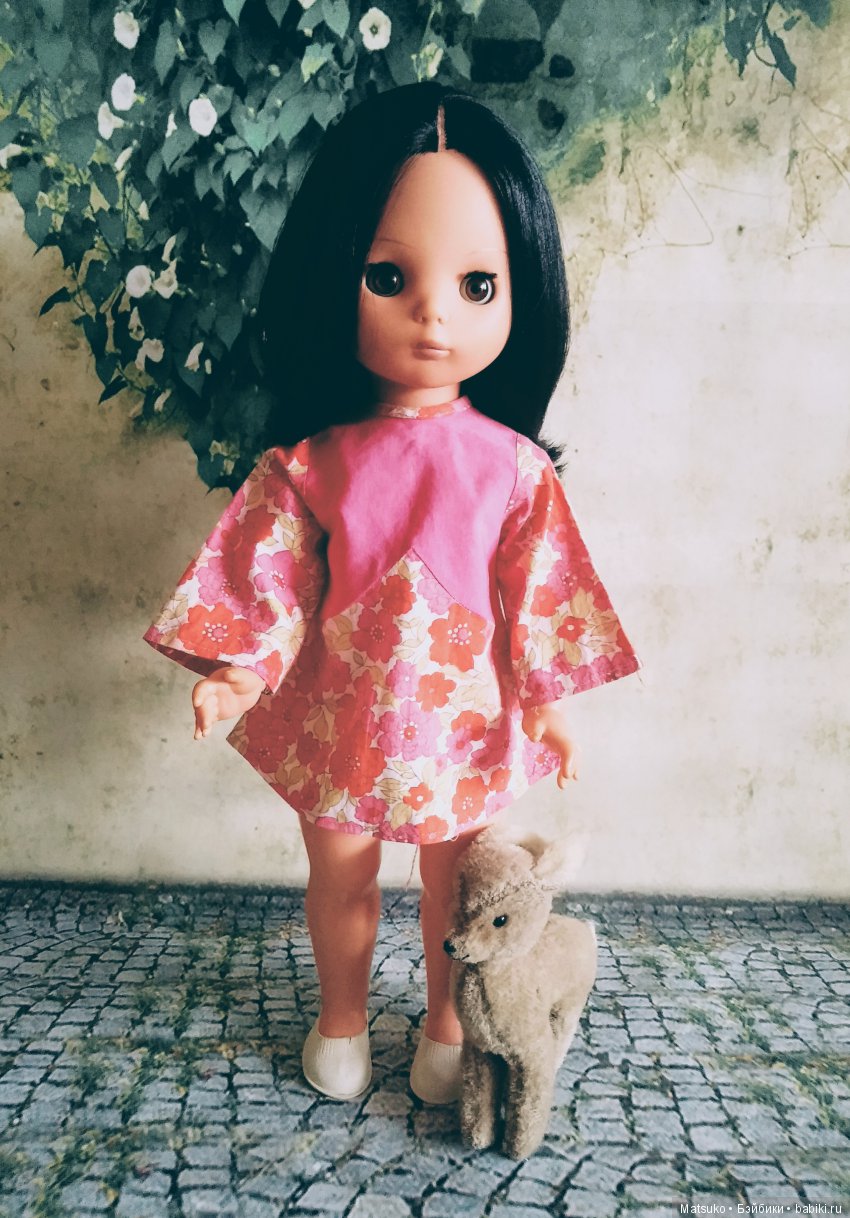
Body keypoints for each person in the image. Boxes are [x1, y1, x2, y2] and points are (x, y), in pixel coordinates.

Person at [143, 82, 641, 1106]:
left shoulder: (512, 470)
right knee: (341, 877)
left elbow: (538, 589)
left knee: (455, 894)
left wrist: (548, 701)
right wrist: (241, 671)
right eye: (387, 276)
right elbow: (275, 578)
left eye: (476, 284)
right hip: (341, 715)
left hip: (466, 723)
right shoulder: (312, 462)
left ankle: (447, 1029)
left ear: (522, 292)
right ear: (333, 278)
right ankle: (341, 1020)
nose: (432, 311)